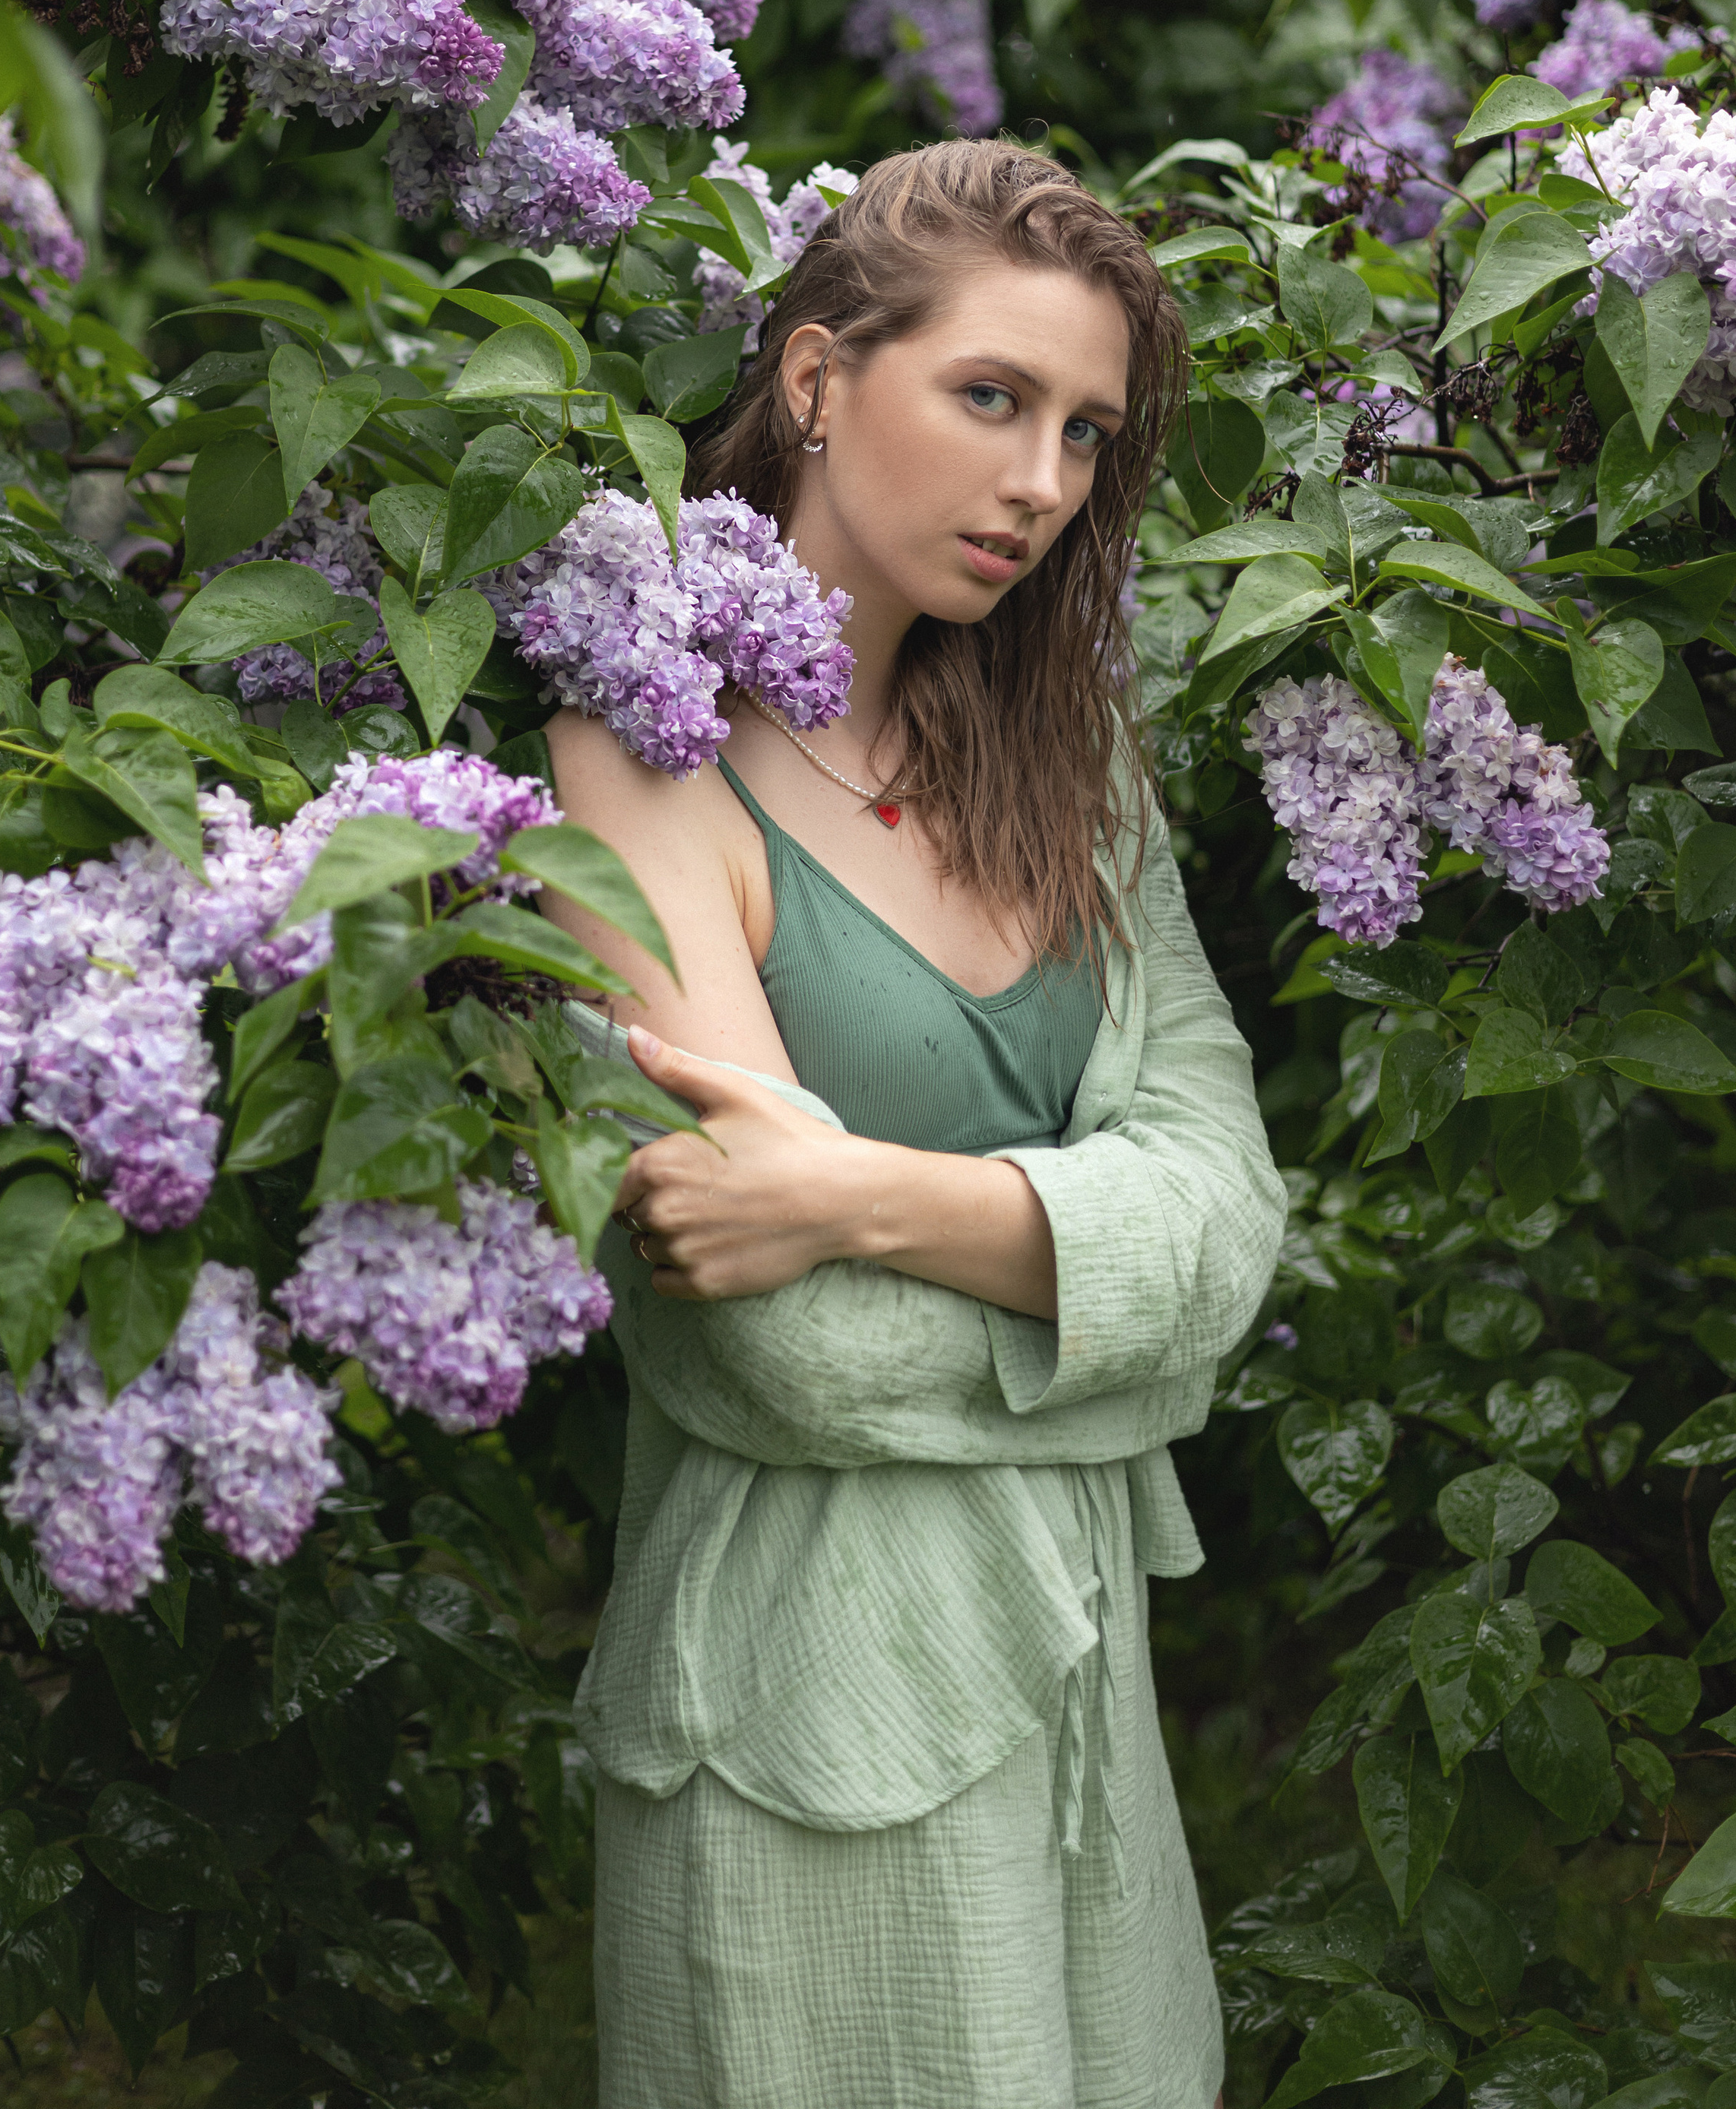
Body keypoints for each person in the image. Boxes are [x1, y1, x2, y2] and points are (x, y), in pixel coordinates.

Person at [540, 141, 1288, 2109]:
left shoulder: (1069, 769)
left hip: (1082, 1702)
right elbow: (765, 1333)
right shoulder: (642, 769)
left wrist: (858, 1191)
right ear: (810, 379)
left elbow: (1235, 1222)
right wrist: (1098, 1304)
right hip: (801, 1729)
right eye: (992, 398)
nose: (1043, 481)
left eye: (1085, 433)